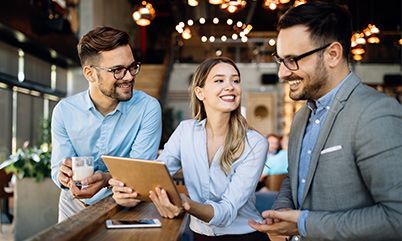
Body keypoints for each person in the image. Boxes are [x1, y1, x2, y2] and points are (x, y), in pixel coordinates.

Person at [249, 2, 402, 241]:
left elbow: (397, 218)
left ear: (332, 54)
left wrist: (304, 223)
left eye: (292, 59)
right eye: (280, 60)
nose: (282, 73)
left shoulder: (376, 113)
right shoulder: (302, 116)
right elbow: (296, 176)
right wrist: (281, 210)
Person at [110, 57, 269, 241]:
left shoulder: (255, 143)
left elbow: (226, 213)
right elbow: (156, 173)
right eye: (219, 80)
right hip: (199, 235)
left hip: (244, 237)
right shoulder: (186, 131)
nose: (230, 86)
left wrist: (185, 203)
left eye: (235, 80)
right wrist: (128, 193)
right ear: (200, 93)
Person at [51, 26, 162, 222]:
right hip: (73, 206)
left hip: (126, 205)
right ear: (90, 74)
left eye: (132, 66)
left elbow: (139, 173)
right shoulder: (64, 111)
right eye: (117, 70)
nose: (129, 76)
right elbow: (57, 169)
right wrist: (63, 176)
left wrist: (105, 179)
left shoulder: (148, 108)